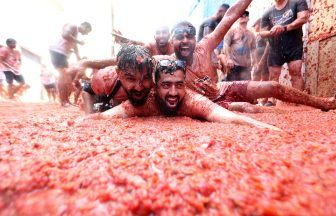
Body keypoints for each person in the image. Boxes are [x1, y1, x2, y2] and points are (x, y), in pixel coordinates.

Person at [170, 0, 336, 113]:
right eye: (180, 37)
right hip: (206, 105)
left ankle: (323, 103)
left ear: (194, 38)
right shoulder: (167, 65)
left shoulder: (205, 45)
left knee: (273, 86)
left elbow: (229, 16)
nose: (185, 41)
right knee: (251, 109)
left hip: (220, 89)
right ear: (172, 40)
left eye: (189, 36)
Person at [98, 55, 280, 131]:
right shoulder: (143, 103)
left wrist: (269, 128)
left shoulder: (192, 101)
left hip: (216, 92)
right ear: (155, 86)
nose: (173, 92)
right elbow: (103, 117)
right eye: (166, 85)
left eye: (179, 85)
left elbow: (229, 117)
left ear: (185, 85)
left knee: (266, 93)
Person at [79, 44, 153, 114]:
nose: (139, 88)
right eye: (131, 79)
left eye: (146, 78)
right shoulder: (107, 79)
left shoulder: (157, 77)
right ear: (118, 73)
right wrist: (89, 114)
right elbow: (86, 90)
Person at [260, 0, 309, 91]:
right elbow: (262, 32)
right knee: (273, 76)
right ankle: (271, 101)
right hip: (275, 48)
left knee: (295, 73)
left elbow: (304, 18)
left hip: (294, 45)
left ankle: (298, 101)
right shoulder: (267, 12)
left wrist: (284, 28)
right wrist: (271, 32)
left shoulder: (297, 2)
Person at [49, 22, 92, 106]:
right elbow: (65, 35)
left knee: (65, 77)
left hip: (62, 54)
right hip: (58, 51)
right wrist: (79, 42)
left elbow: (75, 48)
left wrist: (79, 60)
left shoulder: (75, 34)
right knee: (63, 77)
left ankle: (66, 100)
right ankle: (63, 101)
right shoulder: (73, 26)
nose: (86, 34)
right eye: (87, 31)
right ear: (85, 26)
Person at [223, 11, 258, 81]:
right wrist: (228, 59)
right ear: (237, 19)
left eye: (246, 15)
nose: (244, 16)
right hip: (234, 66)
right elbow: (226, 44)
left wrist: (255, 63)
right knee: (232, 88)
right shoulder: (232, 31)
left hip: (246, 68)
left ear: (248, 18)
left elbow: (253, 49)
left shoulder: (251, 34)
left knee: (245, 89)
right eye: (241, 15)